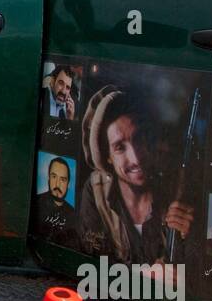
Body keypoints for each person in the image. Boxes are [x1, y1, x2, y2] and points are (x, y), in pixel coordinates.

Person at [79, 87, 194, 265]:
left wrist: (189, 239)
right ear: (107, 156)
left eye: (139, 139)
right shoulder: (96, 190)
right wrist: (144, 277)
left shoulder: (176, 186)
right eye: (120, 147)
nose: (136, 158)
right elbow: (91, 258)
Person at [33, 156, 79, 250]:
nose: (57, 184)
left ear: (68, 183)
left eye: (63, 179)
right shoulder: (36, 203)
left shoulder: (73, 213)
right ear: (48, 178)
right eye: (54, 177)